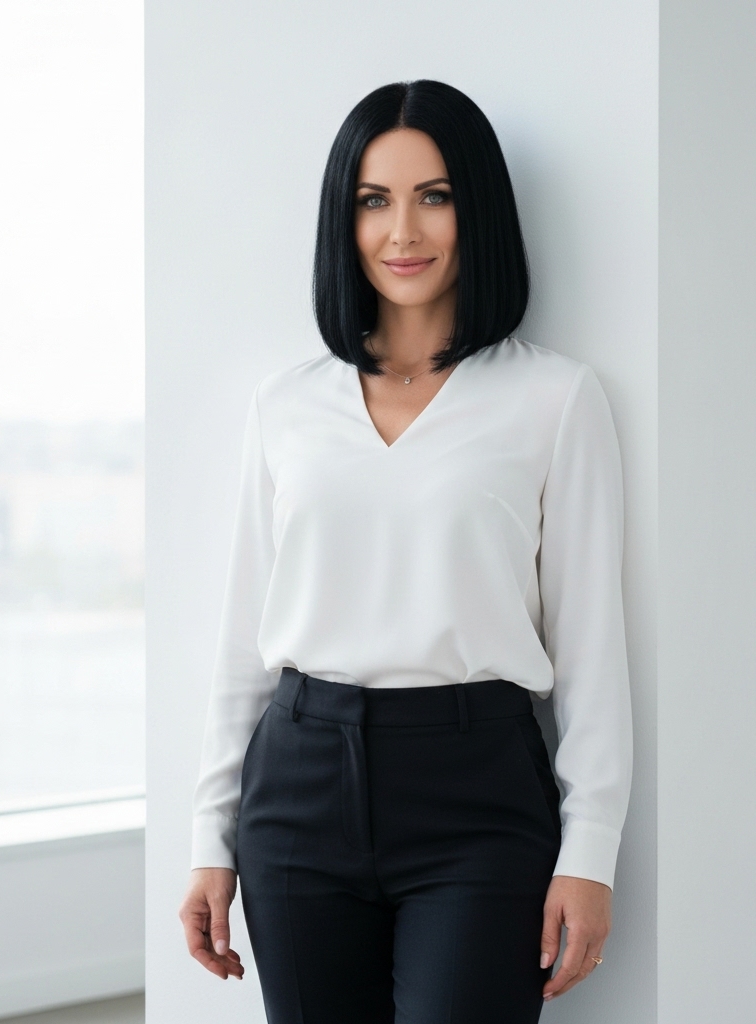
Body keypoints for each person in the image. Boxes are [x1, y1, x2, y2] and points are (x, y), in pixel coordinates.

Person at [178, 79, 633, 1024]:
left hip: (479, 794)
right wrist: (207, 838)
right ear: (343, 223)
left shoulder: (554, 399)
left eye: (434, 195)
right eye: (373, 201)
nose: (403, 231)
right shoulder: (287, 405)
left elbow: (592, 646)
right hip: (297, 786)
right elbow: (242, 641)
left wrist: (589, 853)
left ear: (477, 211)